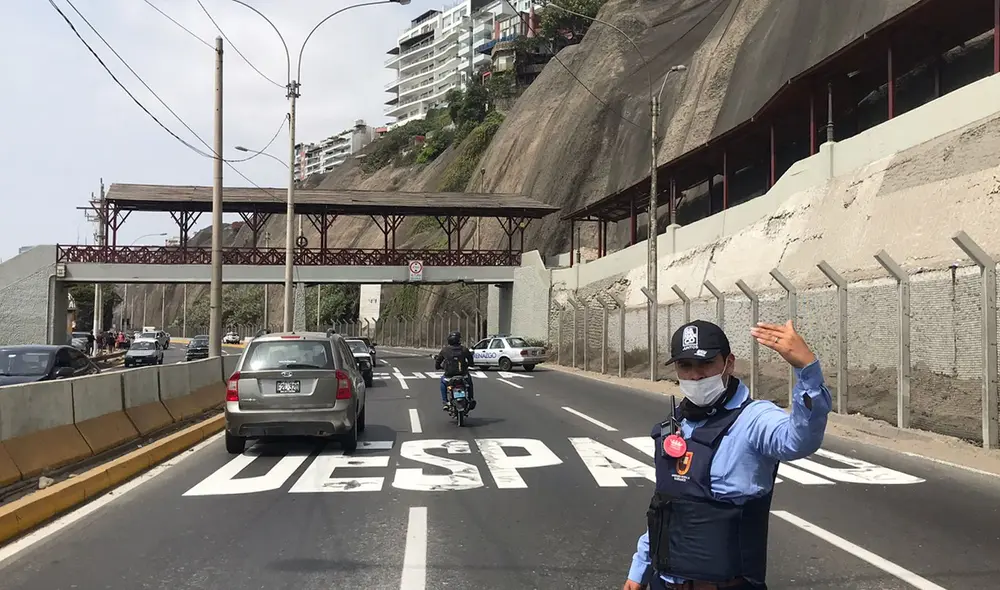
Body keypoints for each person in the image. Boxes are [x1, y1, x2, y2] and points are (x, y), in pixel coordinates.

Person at [623, 319, 831, 590]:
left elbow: (799, 440)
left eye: (706, 364)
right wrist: (639, 569)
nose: (696, 376)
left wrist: (807, 370)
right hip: (664, 582)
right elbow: (667, 507)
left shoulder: (753, 419)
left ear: (728, 363)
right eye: (685, 366)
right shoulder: (677, 424)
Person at [434, 330, 476, 411]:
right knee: (469, 383)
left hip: (448, 377)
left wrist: (438, 367)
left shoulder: (445, 350)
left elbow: (438, 360)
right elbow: (471, 361)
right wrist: (468, 365)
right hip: (463, 375)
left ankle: (445, 402)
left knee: (443, 383)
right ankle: (470, 398)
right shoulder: (464, 349)